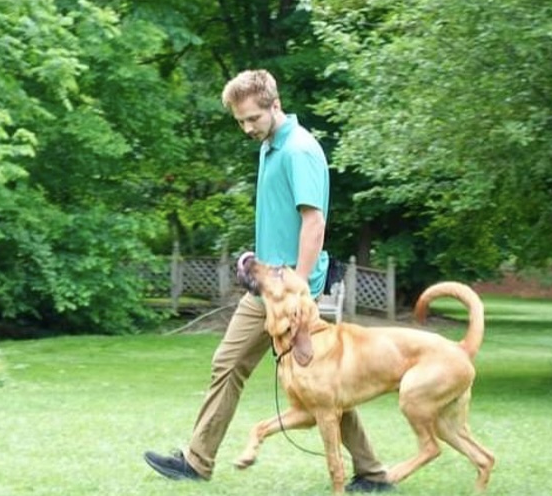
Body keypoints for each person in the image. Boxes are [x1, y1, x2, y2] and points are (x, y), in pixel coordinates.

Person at [144, 69, 393, 493]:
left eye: (253, 119)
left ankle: (197, 462)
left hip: (290, 294)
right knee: (321, 386)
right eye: (240, 121)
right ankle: (372, 474)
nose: (247, 128)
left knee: (238, 365)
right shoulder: (270, 146)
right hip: (271, 285)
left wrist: (294, 285)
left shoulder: (299, 150)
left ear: (274, 105)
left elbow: (313, 222)